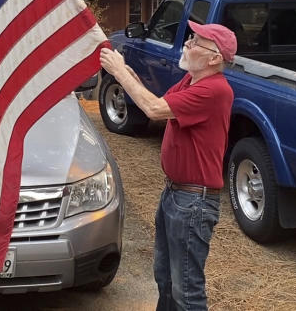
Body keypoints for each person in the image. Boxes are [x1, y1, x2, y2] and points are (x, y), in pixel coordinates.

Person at [100, 21, 236, 311]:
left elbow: (154, 109)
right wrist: (126, 69)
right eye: (191, 38)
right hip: (176, 195)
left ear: (214, 59)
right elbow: (157, 99)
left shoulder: (214, 90)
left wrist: (119, 72)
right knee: (165, 279)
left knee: (187, 291)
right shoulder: (191, 81)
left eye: (196, 42)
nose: (187, 43)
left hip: (193, 202)